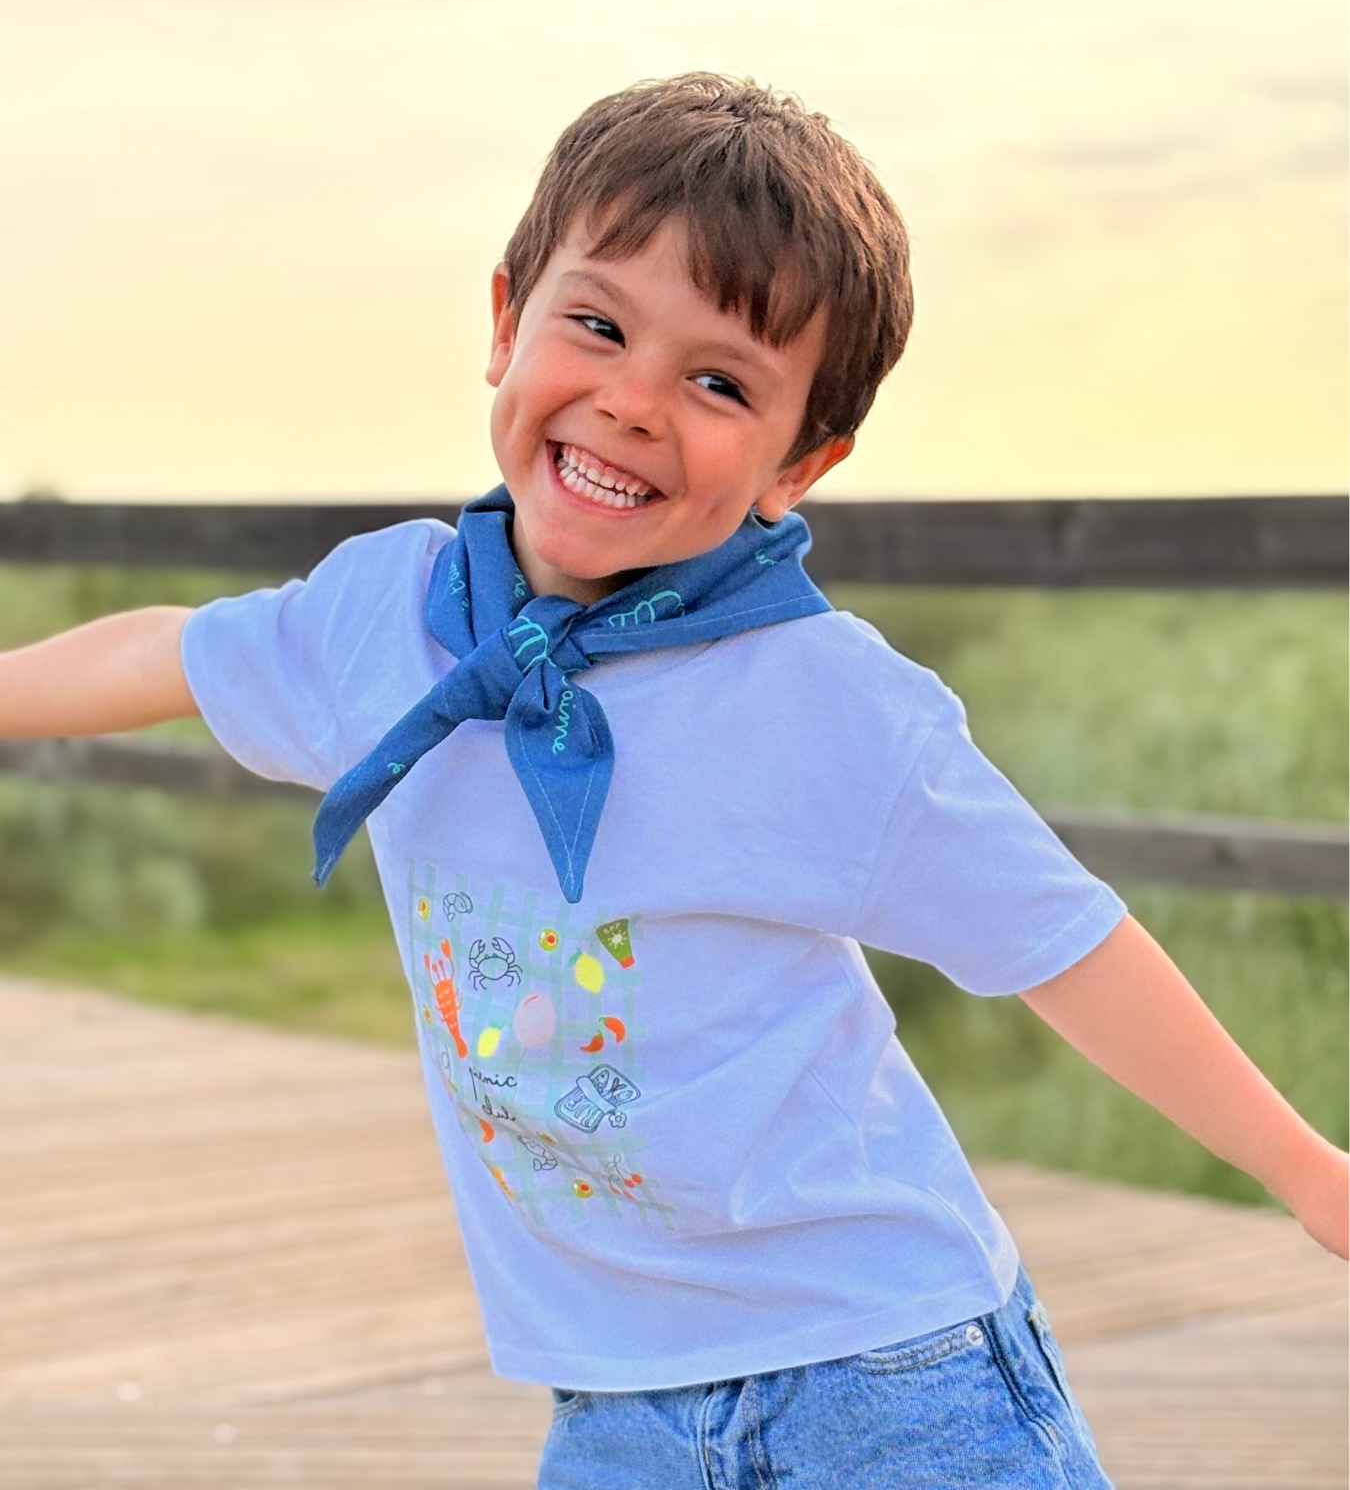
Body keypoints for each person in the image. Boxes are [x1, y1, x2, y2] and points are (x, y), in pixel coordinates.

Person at [2, 74, 1344, 1490]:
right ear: (507, 319)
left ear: (797, 463)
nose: (634, 402)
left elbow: (1063, 944)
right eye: (597, 325)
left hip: (888, 1378)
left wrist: (1307, 1172)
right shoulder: (382, 621)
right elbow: (173, 651)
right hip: (610, 1402)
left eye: (718, 383)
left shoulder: (824, 705)